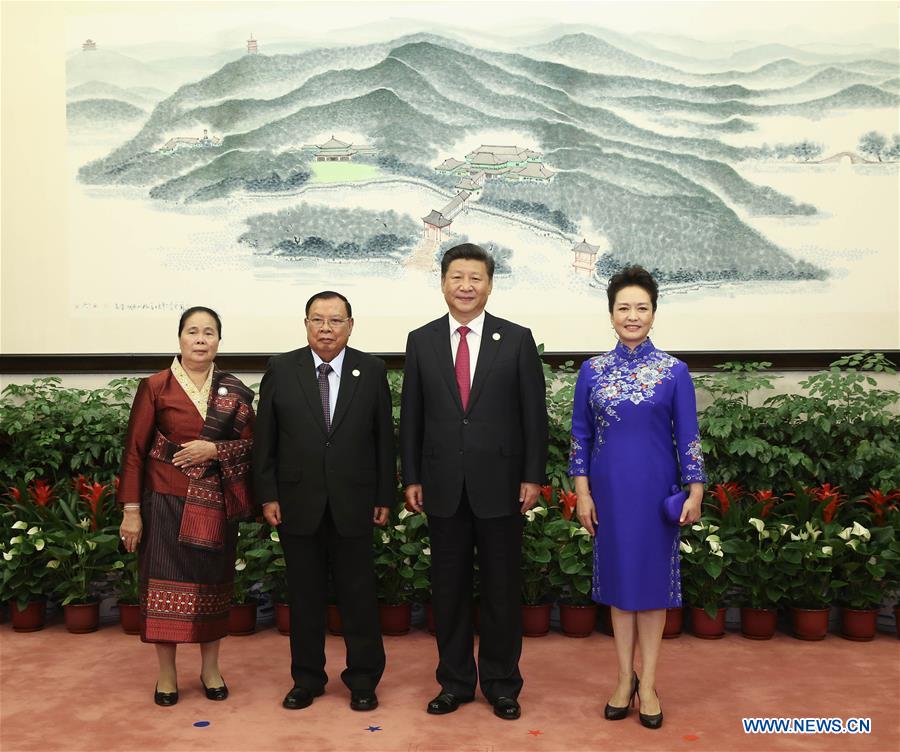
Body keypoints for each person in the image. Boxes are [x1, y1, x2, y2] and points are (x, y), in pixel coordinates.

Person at [400, 243, 548, 721]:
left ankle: (502, 685)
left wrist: (532, 476)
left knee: (503, 591)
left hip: (503, 485)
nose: (466, 286)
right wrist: (412, 477)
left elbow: (534, 417)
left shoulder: (517, 339)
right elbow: (413, 419)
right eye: (457, 277)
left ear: (489, 283)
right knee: (449, 591)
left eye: (475, 278)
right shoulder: (420, 340)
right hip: (442, 484)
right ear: (442, 283)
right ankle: (455, 682)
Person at [569, 265, 706, 729]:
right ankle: (622, 680)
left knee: (651, 591)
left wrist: (697, 490)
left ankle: (648, 683)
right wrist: (582, 493)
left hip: (655, 495)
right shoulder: (591, 371)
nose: (632, 316)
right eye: (623, 308)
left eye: (641, 308)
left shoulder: (674, 371)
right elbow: (579, 438)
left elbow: (688, 436)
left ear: (653, 313)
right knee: (619, 589)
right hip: (608, 495)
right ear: (610, 314)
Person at [253, 291, 393, 713]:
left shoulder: (370, 369)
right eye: (318, 320)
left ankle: (363, 680)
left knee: (359, 597)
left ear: (351, 324)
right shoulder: (282, 367)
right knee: (304, 597)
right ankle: (307, 679)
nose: (327, 329)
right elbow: (266, 439)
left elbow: (384, 437)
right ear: (306, 324)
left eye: (336, 320)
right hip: (297, 501)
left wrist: (385, 493)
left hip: (355, 500)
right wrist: (268, 494)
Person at [118, 306, 256, 707]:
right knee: (163, 589)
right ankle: (166, 675)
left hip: (214, 508)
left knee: (214, 587)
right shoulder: (156, 386)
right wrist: (131, 510)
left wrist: (215, 449)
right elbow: (134, 452)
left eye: (209, 332)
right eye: (192, 332)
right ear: (179, 339)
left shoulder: (233, 391)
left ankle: (211, 669)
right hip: (162, 501)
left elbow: (254, 445)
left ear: (218, 341)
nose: (200, 339)